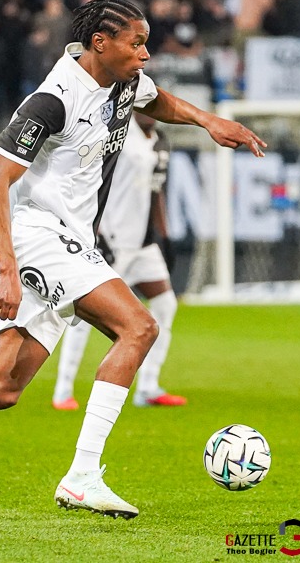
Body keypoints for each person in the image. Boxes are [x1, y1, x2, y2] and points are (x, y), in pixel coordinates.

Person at [0, 0, 265, 520]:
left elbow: (158, 101)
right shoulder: (53, 100)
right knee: (139, 327)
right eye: (137, 44)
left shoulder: (125, 80)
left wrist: (207, 121)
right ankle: (82, 476)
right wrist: (6, 269)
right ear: (99, 43)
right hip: (40, 234)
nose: (145, 54)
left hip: (72, 241)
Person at [52, 111, 184, 411]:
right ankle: (63, 390)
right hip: (112, 241)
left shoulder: (161, 141)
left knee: (165, 304)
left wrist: (164, 235)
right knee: (85, 313)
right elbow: (87, 181)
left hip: (143, 244)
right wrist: (96, 230)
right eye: (146, 104)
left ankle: (148, 387)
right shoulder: (116, 135)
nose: (152, 112)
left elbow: (156, 191)